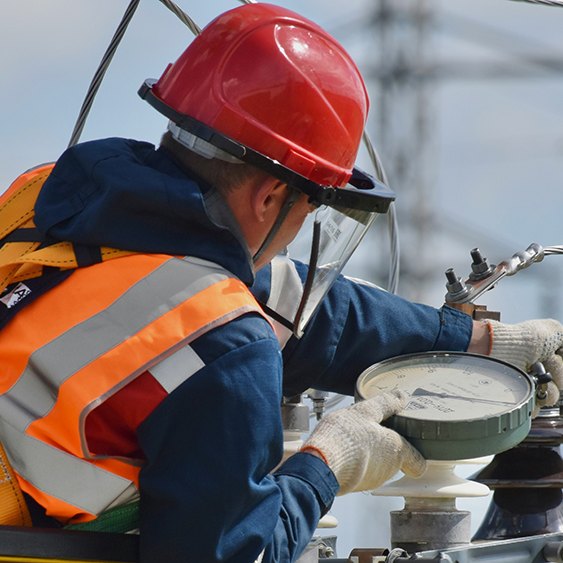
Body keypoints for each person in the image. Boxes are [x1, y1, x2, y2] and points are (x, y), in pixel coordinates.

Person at [0, 3, 562, 562]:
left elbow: (305, 310)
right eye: (310, 208)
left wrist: (478, 344)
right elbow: (238, 554)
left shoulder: (47, 202)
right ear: (270, 196)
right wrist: (326, 466)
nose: (296, 236)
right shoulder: (218, 343)